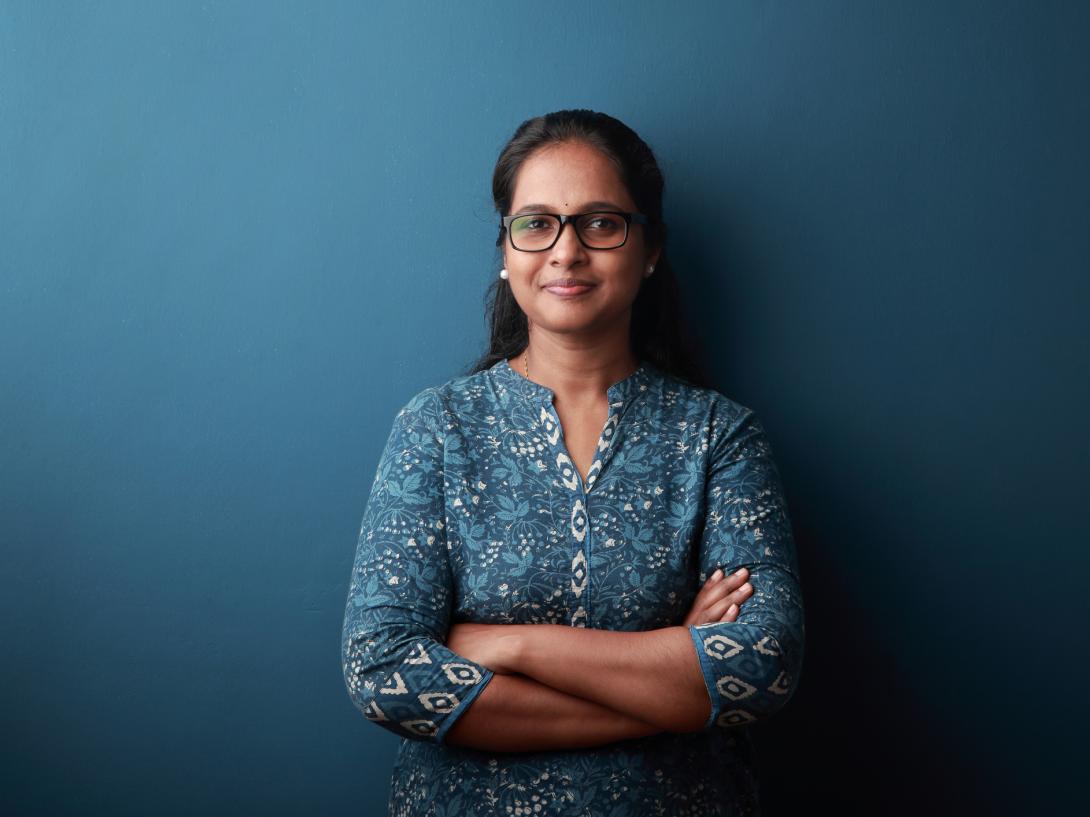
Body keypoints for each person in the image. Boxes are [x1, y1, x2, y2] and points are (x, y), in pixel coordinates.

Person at [341, 109, 805, 817]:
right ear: (505, 248)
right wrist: (673, 671)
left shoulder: (718, 436)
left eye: (600, 222)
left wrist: (512, 644)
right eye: (537, 223)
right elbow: (382, 672)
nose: (565, 251)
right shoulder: (437, 428)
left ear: (649, 248)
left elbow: (760, 666)